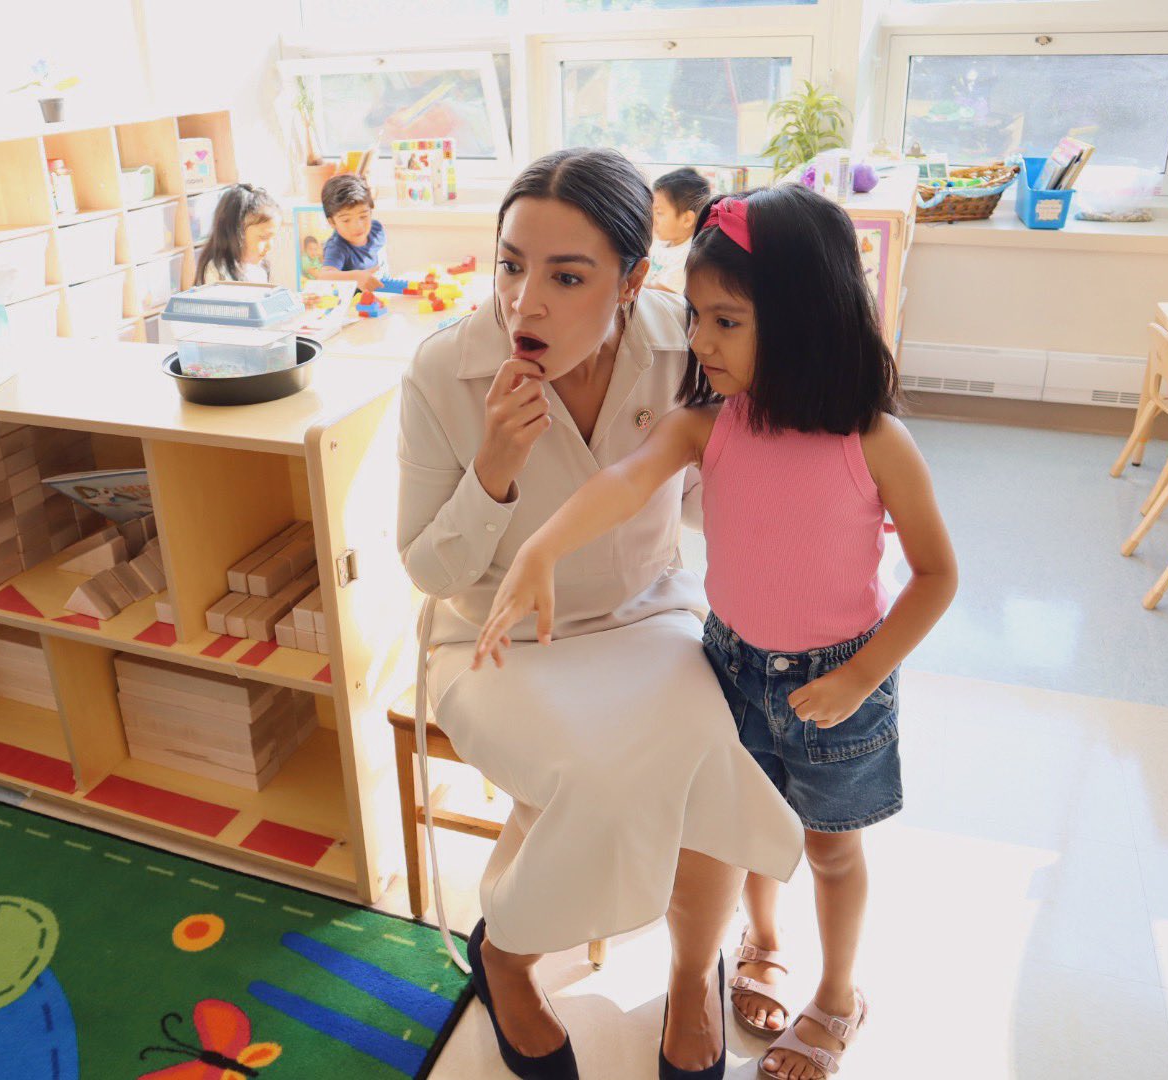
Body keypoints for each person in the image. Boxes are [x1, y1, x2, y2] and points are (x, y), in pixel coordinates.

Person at [474, 183, 958, 1079]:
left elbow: (937, 577)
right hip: (732, 667)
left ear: (803, 320)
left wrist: (859, 678)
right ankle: (760, 944)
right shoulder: (708, 425)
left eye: (725, 322)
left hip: (842, 679)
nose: (698, 341)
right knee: (744, 831)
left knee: (832, 850)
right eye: (696, 317)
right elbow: (623, 482)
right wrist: (540, 546)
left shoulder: (875, 441)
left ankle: (837, 995)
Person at [399, 148, 804, 1080]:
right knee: (598, 776)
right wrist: (493, 471)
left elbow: (711, 499)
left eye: (567, 276)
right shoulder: (445, 370)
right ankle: (508, 956)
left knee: (713, 753)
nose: (524, 303)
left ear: (632, 280)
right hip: (495, 637)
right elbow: (427, 570)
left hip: (647, 614)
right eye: (510, 265)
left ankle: (692, 979)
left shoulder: (687, 346)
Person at [193, 183, 279, 285]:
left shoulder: (259, 268)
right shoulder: (217, 272)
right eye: (263, 237)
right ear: (236, 234)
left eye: (273, 237)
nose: (270, 246)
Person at [313, 174, 387, 290]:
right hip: (354, 301)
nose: (357, 226)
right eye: (346, 220)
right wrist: (356, 277)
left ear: (370, 211)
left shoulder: (377, 229)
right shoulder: (337, 247)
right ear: (332, 222)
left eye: (363, 216)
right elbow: (324, 276)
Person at [648, 167, 711, 295]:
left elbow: (659, 292)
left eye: (659, 212)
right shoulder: (662, 242)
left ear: (687, 219)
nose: (653, 218)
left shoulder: (688, 256)